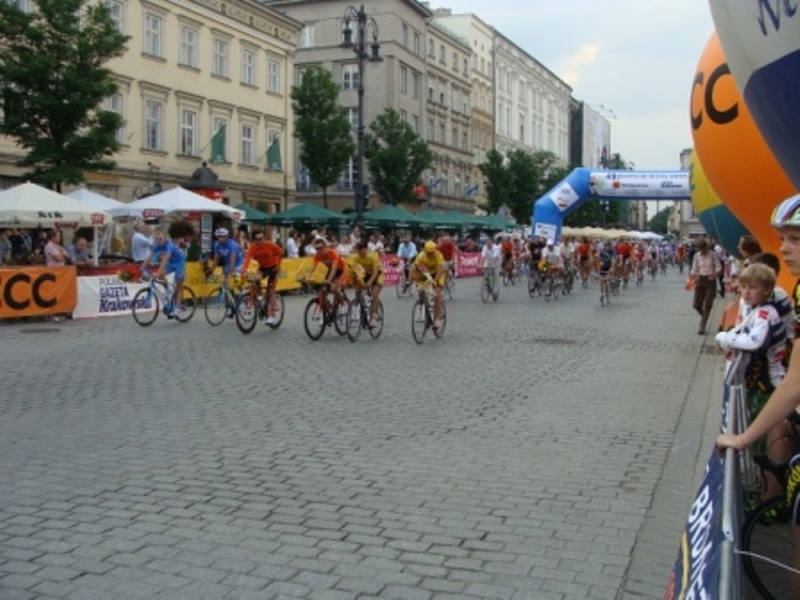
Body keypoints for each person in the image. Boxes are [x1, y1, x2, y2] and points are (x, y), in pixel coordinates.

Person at [717, 194, 800, 598]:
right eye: (783, 238)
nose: (784, 248)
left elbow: (795, 381)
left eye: (795, 239)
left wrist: (744, 438)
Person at [715, 263, 789, 501]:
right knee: (759, 440)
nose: (745, 292)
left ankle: (771, 495)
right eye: (743, 287)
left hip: (767, 384)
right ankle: (767, 490)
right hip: (756, 382)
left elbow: (755, 342)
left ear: (767, 289)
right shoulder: (756, 309)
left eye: (752, 287)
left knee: (764, 440)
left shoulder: (766, 313)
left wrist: (726, 338)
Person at [241, 230, 283, 325]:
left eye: (262, 238)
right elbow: (247, 259)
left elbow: (280, 252)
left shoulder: (269, 245)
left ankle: (272, 315)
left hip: (273, 268)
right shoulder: (253, 248)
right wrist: (244, 270)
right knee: (254, 279)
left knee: (271, 290)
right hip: (263, 268)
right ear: (254, 241)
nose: (261, 241)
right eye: (258, 239)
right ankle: (258, 296)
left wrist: (278, 265)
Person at [142, 229, 186, 319]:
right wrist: (142, 268)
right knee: (159, 276)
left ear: (164, 236)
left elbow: (165, 260)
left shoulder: (169, 245)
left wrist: (158, 272)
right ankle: (168, 290)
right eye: (156, 237)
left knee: (179, 285)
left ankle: (177, 308)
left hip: (179, 262)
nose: (158, 238)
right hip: (171, 262)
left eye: (160, 236)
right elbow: (148, 257)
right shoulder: (157, 246)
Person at [347, 240, 384, 328]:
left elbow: (375, 273)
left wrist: (368, 284)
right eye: (357, 250)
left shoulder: (373, 255)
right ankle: (364, 310)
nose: (358, 252)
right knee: (358, 292)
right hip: (365, 274)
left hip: (377, 274)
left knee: (375, 295)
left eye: (360, 250)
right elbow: (351, 270)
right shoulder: (356, 256)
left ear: (365, 249)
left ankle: (374, 317)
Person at [688, 237, 721, 335]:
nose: (700, 251)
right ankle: (705, 317)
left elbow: (719, 267)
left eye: (701, 248)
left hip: (710, 280)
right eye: (698, 248)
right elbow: (694, 269)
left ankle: (702, 326)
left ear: (705, 247)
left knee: (707, 304)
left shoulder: (713, 255)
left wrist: (714, 275)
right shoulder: (697, 256)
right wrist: (692, 277)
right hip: (700, 280)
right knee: (696, 305)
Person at [412, 241, 446, 329]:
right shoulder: (421, 256)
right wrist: (414, 281)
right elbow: (415, 269)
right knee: (421, 290)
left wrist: (435, 282)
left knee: (436, 295)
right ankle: (424, 305)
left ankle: (437, 318)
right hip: (426, 274)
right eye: (428, 252)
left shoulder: (438, 255)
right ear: (425, 251)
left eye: (432, 252)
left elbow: (439, 270)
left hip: (438, 274)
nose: (430, 254)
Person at [310, 236, 348, 305]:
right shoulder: (317, 255)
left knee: (333, 289)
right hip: (330, 271)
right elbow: (312, 268)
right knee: (323, 289)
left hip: (340, 271)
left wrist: (329, 280)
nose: (318, 251)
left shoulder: (333, 253)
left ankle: (343, 303)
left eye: (320, 248)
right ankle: (327, 305)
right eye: (316, 249)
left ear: (325, 247)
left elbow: (334, 269)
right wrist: (306, 276)